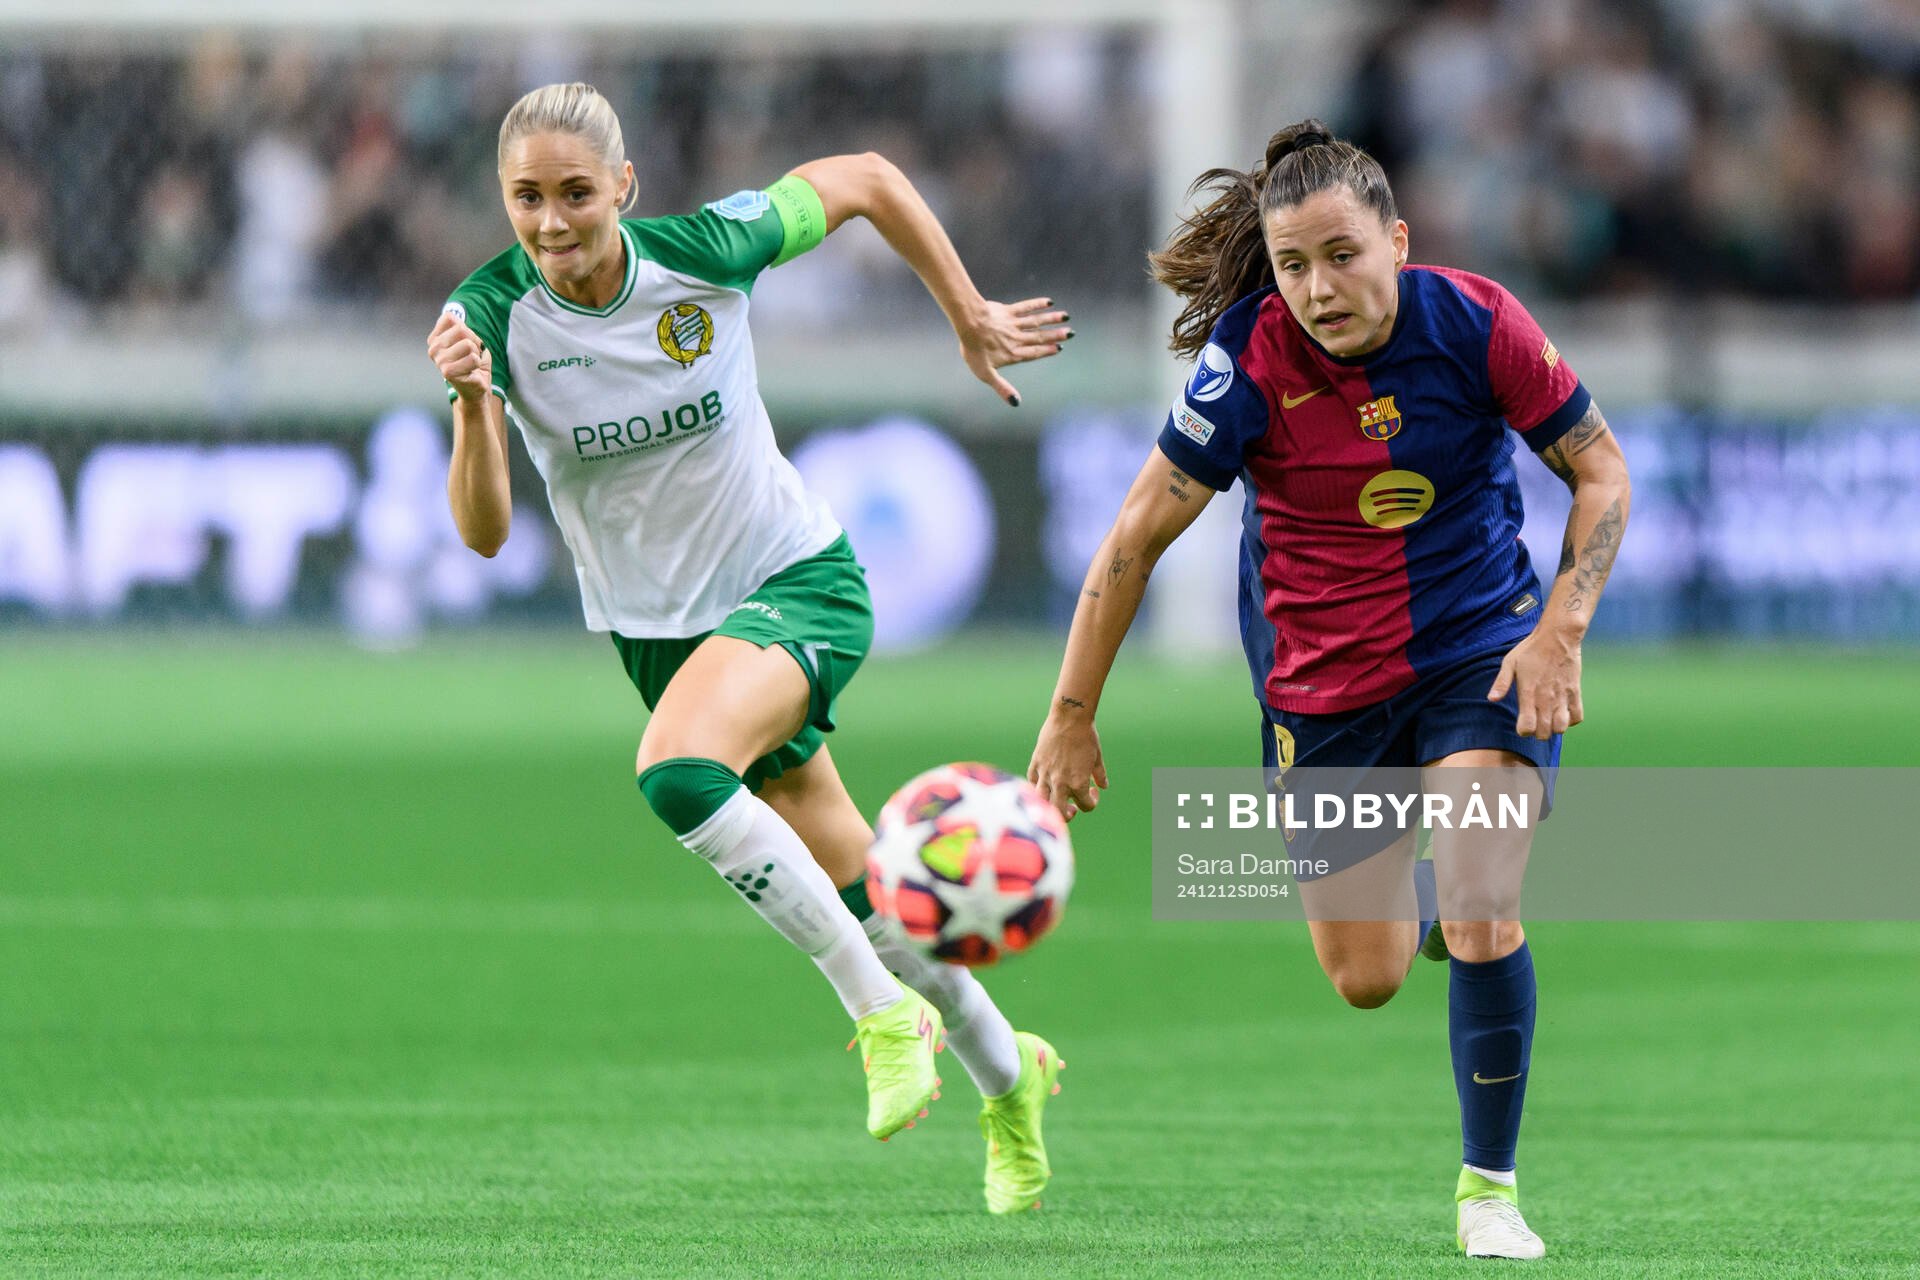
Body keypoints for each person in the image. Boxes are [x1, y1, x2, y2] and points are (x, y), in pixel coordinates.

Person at [427, 83, 1072, 1214]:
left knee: (677, 772)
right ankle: (1013, 1081)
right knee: (879, 896)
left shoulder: (710, 249)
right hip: (663, 638)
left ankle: (880, 1013)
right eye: (525, 197)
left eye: (576, 192)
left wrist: (965, 312)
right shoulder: (487, 317)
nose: (550, 221)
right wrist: (471, 403)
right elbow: (481, 534)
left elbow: (869, 176)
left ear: (623, 187)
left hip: (797, 583)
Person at [1029, 119, 1630, 1259]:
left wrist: (1562, 627)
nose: (1317, 287)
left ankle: (1488, 1189)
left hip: (1481, 651)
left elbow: (1600, 468)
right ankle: (1431, 888)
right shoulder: (1247, 360)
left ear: (1396, 241)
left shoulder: (1478, 322)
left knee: (1484, 902)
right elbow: (1136, 535)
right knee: (1366, 978)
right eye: (1293, 263)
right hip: (1324, 690)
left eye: (1342, 255)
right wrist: (1070, 714)